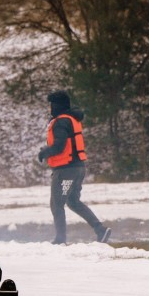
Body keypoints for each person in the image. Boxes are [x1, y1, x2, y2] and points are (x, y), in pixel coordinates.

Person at [37, 90, 111, 245]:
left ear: (58, 105)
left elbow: (59, 146)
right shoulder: (72, 119)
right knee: (73, 202)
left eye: (52, 104)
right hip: (78, 168)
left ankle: (60, 240)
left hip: (66, 170)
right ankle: (101, 230)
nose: (50, 108)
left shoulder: (61, 122)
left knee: (57, 204)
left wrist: (45, 152)